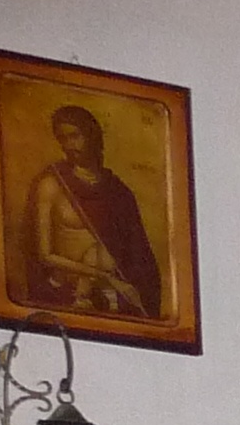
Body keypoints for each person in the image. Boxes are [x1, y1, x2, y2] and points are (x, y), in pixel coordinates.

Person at [22, 103, 164, 318]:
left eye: (75, 136)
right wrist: (104, 276)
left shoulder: (118, 192)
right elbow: (44, 255)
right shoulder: (52, 184)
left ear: (92, 136)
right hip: (66, 290)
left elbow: (138, 254)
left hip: (113, 292)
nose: (69, 145)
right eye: (63, 139)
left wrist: (126, 285)